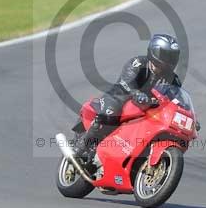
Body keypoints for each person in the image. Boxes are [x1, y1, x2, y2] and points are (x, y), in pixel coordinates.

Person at [73, 33, 182, 163]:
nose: (170, 60)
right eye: (166, 55)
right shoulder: (138, 63)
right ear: (155, 52)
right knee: (110, 114)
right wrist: (136, 93)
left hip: (148, 109)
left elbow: (176, 100)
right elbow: (126, 82)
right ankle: (79, 149)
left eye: (173, 56)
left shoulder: (173, 80)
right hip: (120, 97)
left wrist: (187, 115)